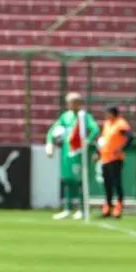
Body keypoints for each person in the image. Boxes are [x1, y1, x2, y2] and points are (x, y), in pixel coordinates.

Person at [45, 92, 100, 220]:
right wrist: (49, 143)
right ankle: (67, 209)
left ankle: (81, 209)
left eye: (73, 102)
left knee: (81, 181)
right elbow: (53, 130)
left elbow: (95, 129)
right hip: (66, 153)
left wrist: (87, 140)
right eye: (69, 102)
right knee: (68, 180)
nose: (70, 105)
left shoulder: (84, 116)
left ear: (78, 103)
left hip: (80, 153)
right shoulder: (65, 116)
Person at [98, 105, 133, 218]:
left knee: (116, 182)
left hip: (115, 158)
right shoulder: (107, 124)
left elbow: (130, 136)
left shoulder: (120, 123)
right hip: (105, 157)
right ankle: (108, 205)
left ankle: (119, 205)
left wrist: (121, 149)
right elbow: (104, 139)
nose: (106, 115)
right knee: (107, 183)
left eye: (108, 113)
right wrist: (98, 153)